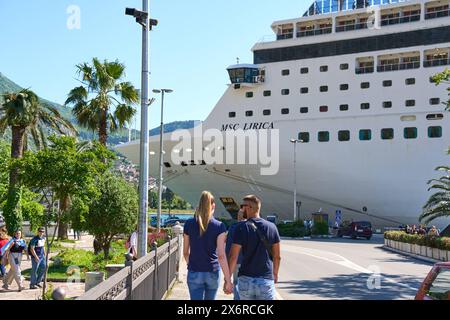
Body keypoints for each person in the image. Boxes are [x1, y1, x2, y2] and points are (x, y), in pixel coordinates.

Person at [228, 195, 281, 300]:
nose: (241, 210)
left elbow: (233, 256)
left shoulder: (241, 228)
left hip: (246, 279)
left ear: (249, 208)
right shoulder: (272, 227)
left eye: (242, 206)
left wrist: (227, 279)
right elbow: (277, 256)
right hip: (265, 279)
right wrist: (275, 274)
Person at [183, 191, 233, 300]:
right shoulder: (220, 226)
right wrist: (228, 280)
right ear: (213, 206)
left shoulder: (189, 224)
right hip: (213, 271)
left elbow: (185, 252)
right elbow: (221, 255)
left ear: (199, 206)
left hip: (194, 270)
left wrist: (190, 264)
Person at [226, 209, 246, 300]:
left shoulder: (233, 227)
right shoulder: (253, 226)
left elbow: (228, 248)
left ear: (238, 217)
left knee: (236, 283)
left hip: (236, 261)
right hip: (250, 262)